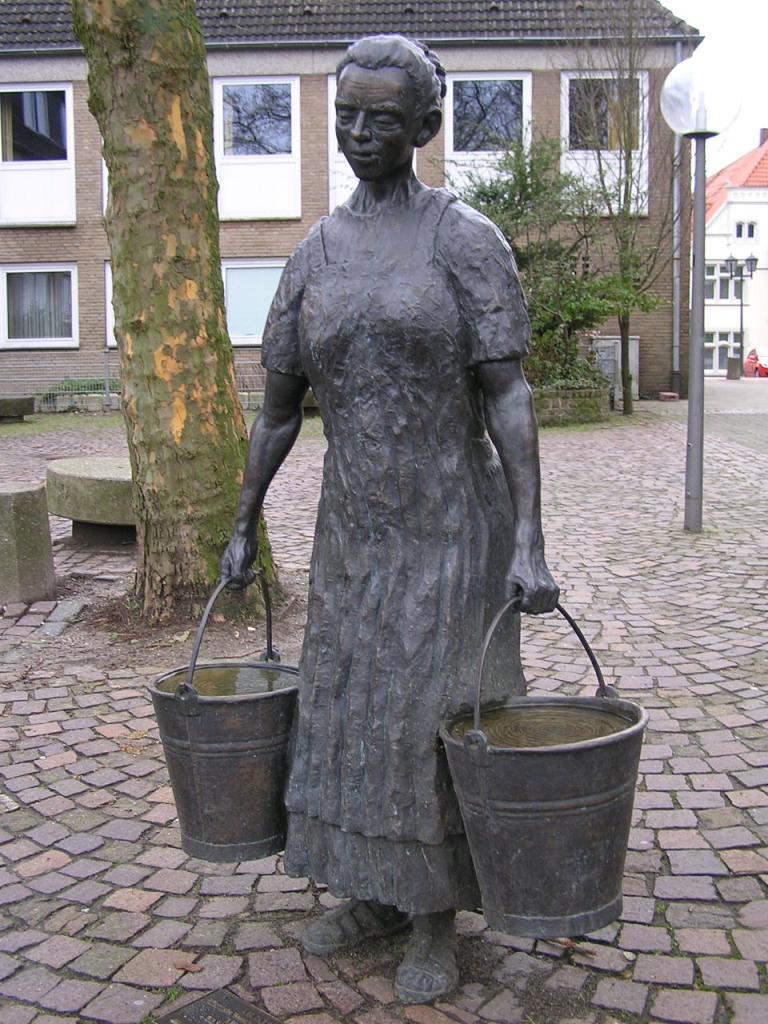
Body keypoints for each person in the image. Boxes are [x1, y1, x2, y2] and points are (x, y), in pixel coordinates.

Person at [221, 34, 559, 1004]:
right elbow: (278, 409)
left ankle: (435, 916)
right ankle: (371, 890)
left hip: (450, 523)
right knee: (347, 712)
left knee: (426, 718)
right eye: (348, 116)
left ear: (425, 124)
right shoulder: (314, 253)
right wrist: (243, 522)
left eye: (383, 117)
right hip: (353, 528)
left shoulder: (466, 240)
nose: (362, 133)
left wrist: (530, 537)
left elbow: (509, 395)